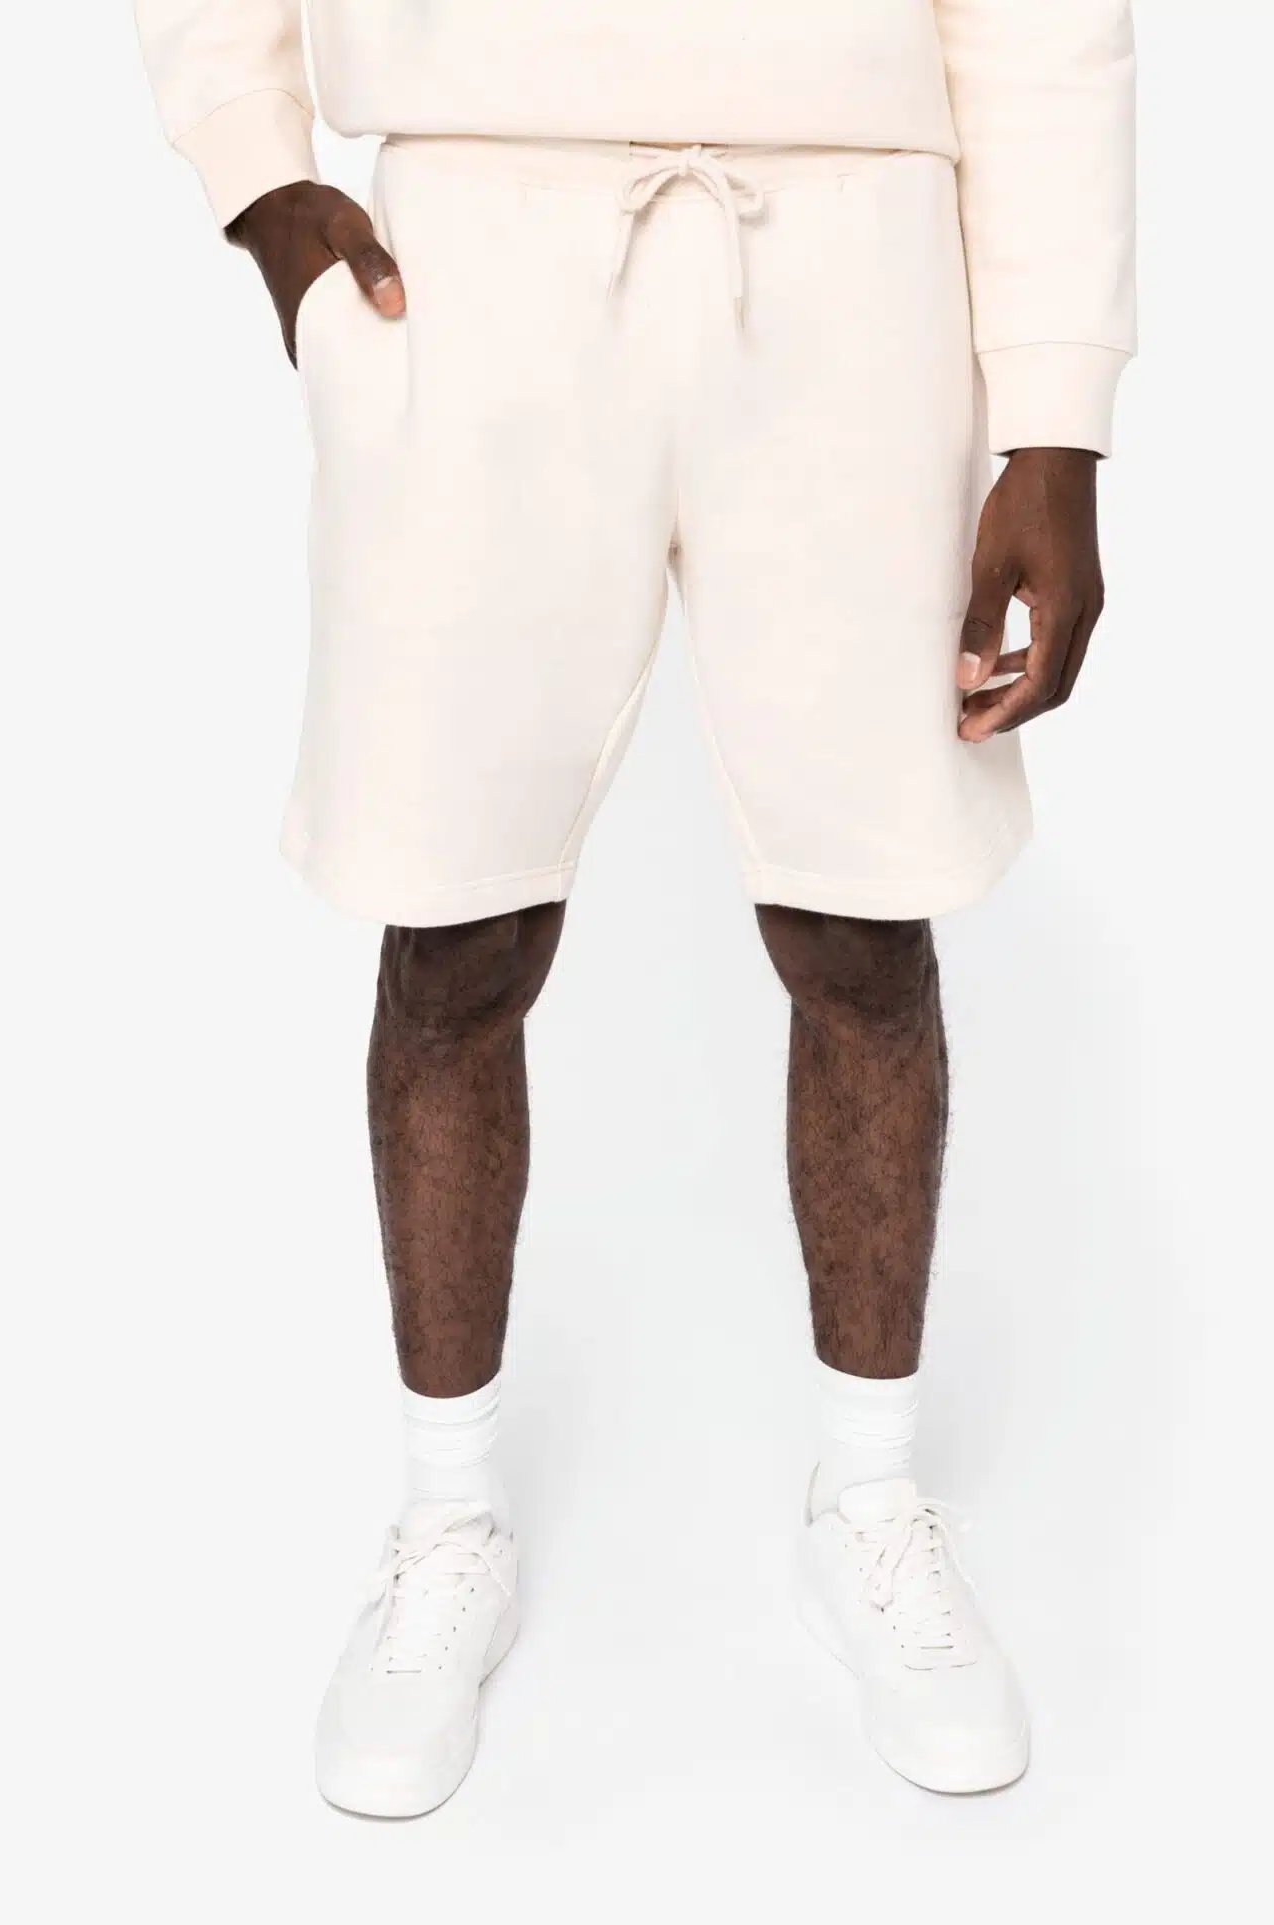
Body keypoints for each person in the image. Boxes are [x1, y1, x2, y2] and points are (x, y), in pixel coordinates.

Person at [134, 0, 1136, 1811]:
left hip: (855, 256)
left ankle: (870, 1496)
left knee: (862, 921)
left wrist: (1056, 418)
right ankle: (449, 1521)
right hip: (472, 251)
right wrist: (258, 171)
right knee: (452, 928)